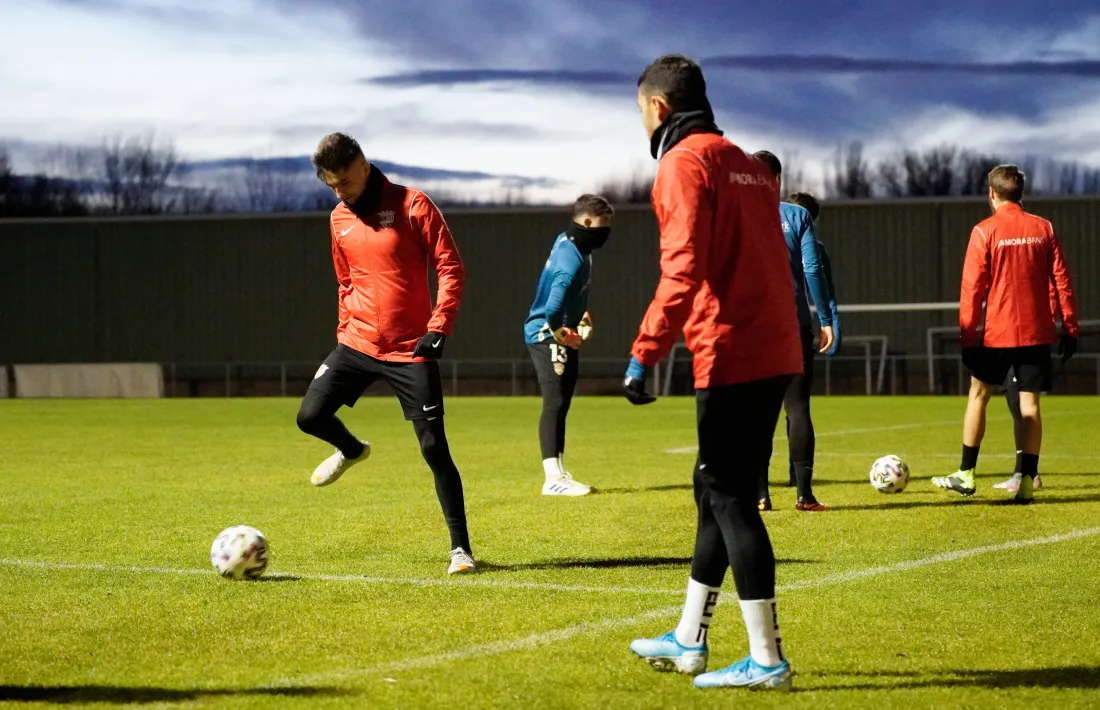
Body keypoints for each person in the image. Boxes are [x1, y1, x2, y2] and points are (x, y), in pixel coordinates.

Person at [624, 54, 802, 691]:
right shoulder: (750, 165)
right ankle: (690, 640)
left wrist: (645, 350)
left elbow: (684, 266)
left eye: (640, 111)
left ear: (659, 108)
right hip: (775, 348)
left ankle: (767, 660)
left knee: (729, 497)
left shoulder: (683, 163)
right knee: (714, 492)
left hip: (733, 352)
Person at [295, 132, 476, 574]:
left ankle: (461, 551)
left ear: (362, 164)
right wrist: (344, 333)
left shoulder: (413, 205)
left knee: (434, 448)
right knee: (309, 417)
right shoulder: (338, 218)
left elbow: (450, 267)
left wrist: (438, 328)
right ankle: (352, 449)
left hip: (411, 349)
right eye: (330, 186)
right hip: (356, 343)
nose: (340, 192)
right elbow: (346, 281)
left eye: (344, 181)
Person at [932, 164, 1078, 504]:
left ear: (992, 193)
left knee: (978, 396)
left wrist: (968, 337)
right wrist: (1069, 326)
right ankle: (1027, 481)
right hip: (1037, 332)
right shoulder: (1044, 228)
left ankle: (966, 474)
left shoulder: (984, 231)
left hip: (998, 334)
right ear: (1020, 193)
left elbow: (972, 289)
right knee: (1030, 405)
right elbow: (1062, 281)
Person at [751, 157, 835, 512]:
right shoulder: (797, 215)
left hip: (751, 327)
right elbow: (812, 268)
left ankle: (759, 495)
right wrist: (826, 317)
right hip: (792, 325)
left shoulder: (735, 215)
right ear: (778, 179)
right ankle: (804, 494)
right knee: (797, 407)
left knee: (756, 412)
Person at [523, 194, 615, 496]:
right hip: (545, 335)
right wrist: (564, 333)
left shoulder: (570, 241)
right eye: (604, 225)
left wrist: (578, 314)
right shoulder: (571, 258)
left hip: (554, 331)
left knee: (561, 404)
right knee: (554, 403)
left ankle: (559, 474)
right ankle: (552, 479)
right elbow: (552, 307)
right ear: (587, 223)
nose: (606, 232)